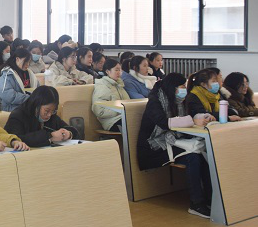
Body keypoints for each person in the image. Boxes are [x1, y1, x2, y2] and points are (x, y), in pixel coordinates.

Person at [136, 73, 214, 218]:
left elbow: (190, 115)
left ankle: (210, 199)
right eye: (182, 86)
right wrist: (192, 121)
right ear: (172, 87)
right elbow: (164, 123)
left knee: (203, 154)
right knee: (193, 157)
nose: (184, 89)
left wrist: (202, 116)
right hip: (154, 148)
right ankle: (196, 204)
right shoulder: (155, 101)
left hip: (172, 141)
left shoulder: (179, 100)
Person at [4, 86, 80, 147]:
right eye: (47, 111)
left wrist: (68, 134)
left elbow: (73, 131)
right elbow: (17, 139)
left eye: (53, 111)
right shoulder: (18, 116)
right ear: (36, 105)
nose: (49, 115)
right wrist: (50, 137)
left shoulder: (52, 116)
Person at [91, 59, 130, 131]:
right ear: (107, 71)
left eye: (120, 70)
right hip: (112, 122)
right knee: (135, 124)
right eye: (116, 70)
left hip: (124, 117)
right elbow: (99, 110)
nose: (119, 72)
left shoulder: (119, 85)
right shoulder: (103, 86)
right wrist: (119, 111)